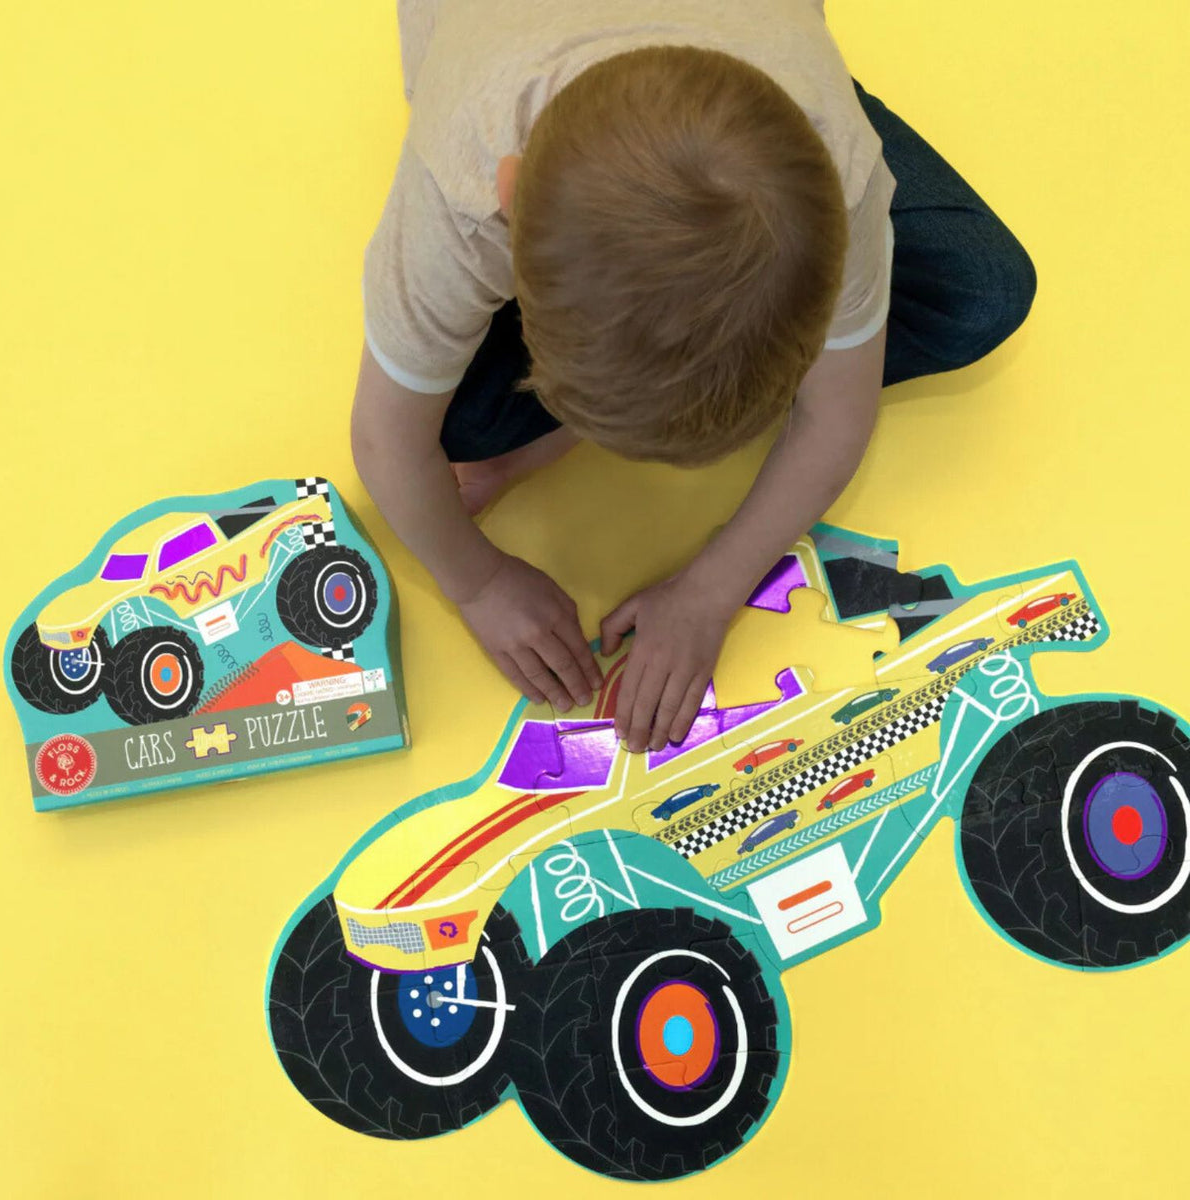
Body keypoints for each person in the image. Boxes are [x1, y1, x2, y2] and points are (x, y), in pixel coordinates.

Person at [351, 0, 1037, 753]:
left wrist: (714, 588)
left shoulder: (837, 171)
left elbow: (834, 415)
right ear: (512, 208)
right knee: (454, 431)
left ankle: (611, 398)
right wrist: (475, 581)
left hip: (761, 75)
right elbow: (387, 442)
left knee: (983, 294)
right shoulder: (465, 191)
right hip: (524, 67)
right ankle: (604, 403)